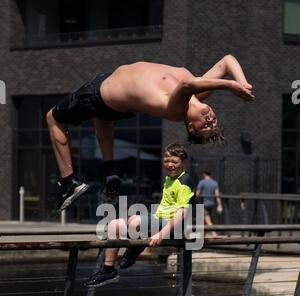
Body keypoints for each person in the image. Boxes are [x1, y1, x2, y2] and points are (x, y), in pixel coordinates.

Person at [46, 55, 254, 211]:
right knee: (104, 117)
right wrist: (243, 83)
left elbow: (185, 84)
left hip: (98, 94)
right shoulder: (201, 93)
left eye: (206, 127)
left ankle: (68, 182)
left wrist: (229, 85)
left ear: (191, 127)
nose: (210, 121)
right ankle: (110, 170)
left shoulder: (176, 108)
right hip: (112, 94)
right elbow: (227, 61)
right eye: (213, 121)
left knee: (53, 118)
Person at [85, 143, 194, 287]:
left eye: (174, 161)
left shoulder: (184, 181)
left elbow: (181, 213)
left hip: (175, 227)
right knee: (113, 225)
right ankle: (108, 270)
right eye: (167, 161)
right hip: (159, 220)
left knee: (135, 221)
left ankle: (134, 249)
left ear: (183, 162)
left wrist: (160, 235)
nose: (170, 165)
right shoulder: (169, 179)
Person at [196, 170, 223, 239]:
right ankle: (202, 236)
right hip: (211, 204)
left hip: (203, 204)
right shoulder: (215, 183)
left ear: (204, 174)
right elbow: (217, 195)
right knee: (205, 219)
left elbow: (197, 193)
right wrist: (219, 204)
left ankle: (213, 233)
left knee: (207, 219)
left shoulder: (202, 182)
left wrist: (194, 199)